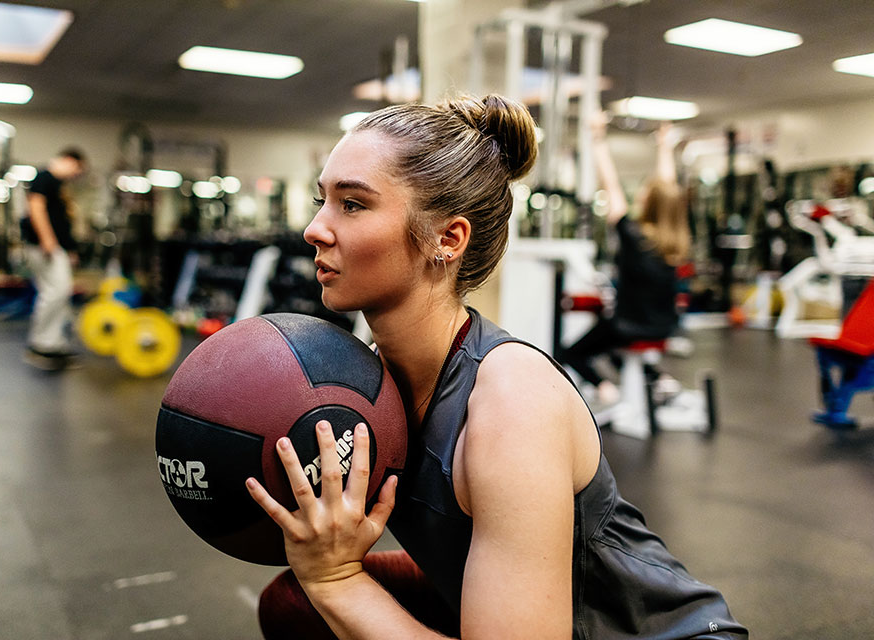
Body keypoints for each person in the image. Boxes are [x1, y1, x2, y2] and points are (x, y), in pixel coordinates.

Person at [245, 95, 746, 639]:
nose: (314, 229)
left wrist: (338, 579)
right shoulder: (369, 379)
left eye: (353, 205)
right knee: (294, 604)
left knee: (322, 595)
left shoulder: (513, 401)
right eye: (323, 200)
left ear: (448, 239)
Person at [560, 113, 690, 405]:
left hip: (629, 326)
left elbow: (611, 184)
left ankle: (605, 386)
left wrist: (597, 138)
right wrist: (664, 147)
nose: (643, 192)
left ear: (651, 202)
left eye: (646, 191)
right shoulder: (676, 242)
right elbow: (667, 188)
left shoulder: (633, 235)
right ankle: (656, 377)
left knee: (569, 352)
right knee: (615, 346)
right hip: (665, 326)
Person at [20, 148, 86, 370]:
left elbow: (60, 219)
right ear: (69, 160)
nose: (75, 174)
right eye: (77, 169)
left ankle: (54, 343)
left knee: (60, 293)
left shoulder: (57, 184)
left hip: (57, 247)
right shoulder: (44, 177)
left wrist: (69, 249)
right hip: (46, 247)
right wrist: (47, 239)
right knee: (55, 292)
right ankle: (41, 345)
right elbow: (35, 208)